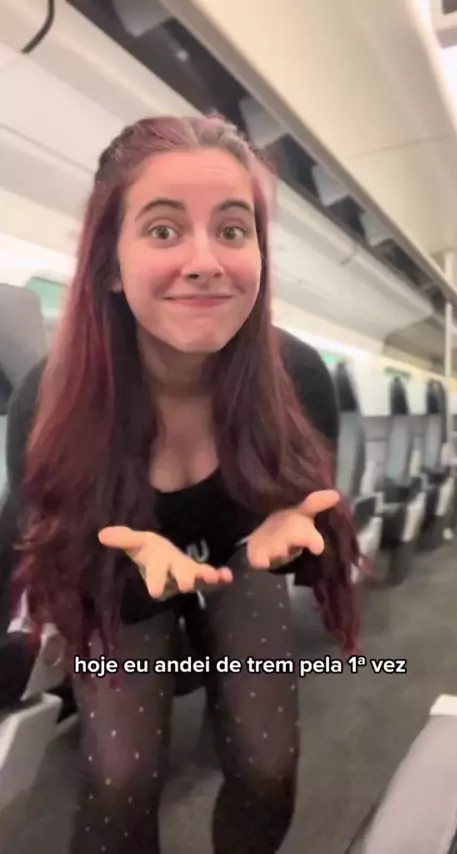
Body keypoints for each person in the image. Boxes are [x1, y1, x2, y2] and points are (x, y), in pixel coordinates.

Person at [7, 115, 360, 853]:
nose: (205, 261)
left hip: (239, 557)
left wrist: (292, 539)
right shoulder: (51, 401)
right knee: (121, 779)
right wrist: (133, 581)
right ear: (110, 263)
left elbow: (310, 528)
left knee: (268, 765)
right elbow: (52, 561)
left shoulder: (298, 379)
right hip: (110, 570)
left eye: (232, 230)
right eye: (164, 230)